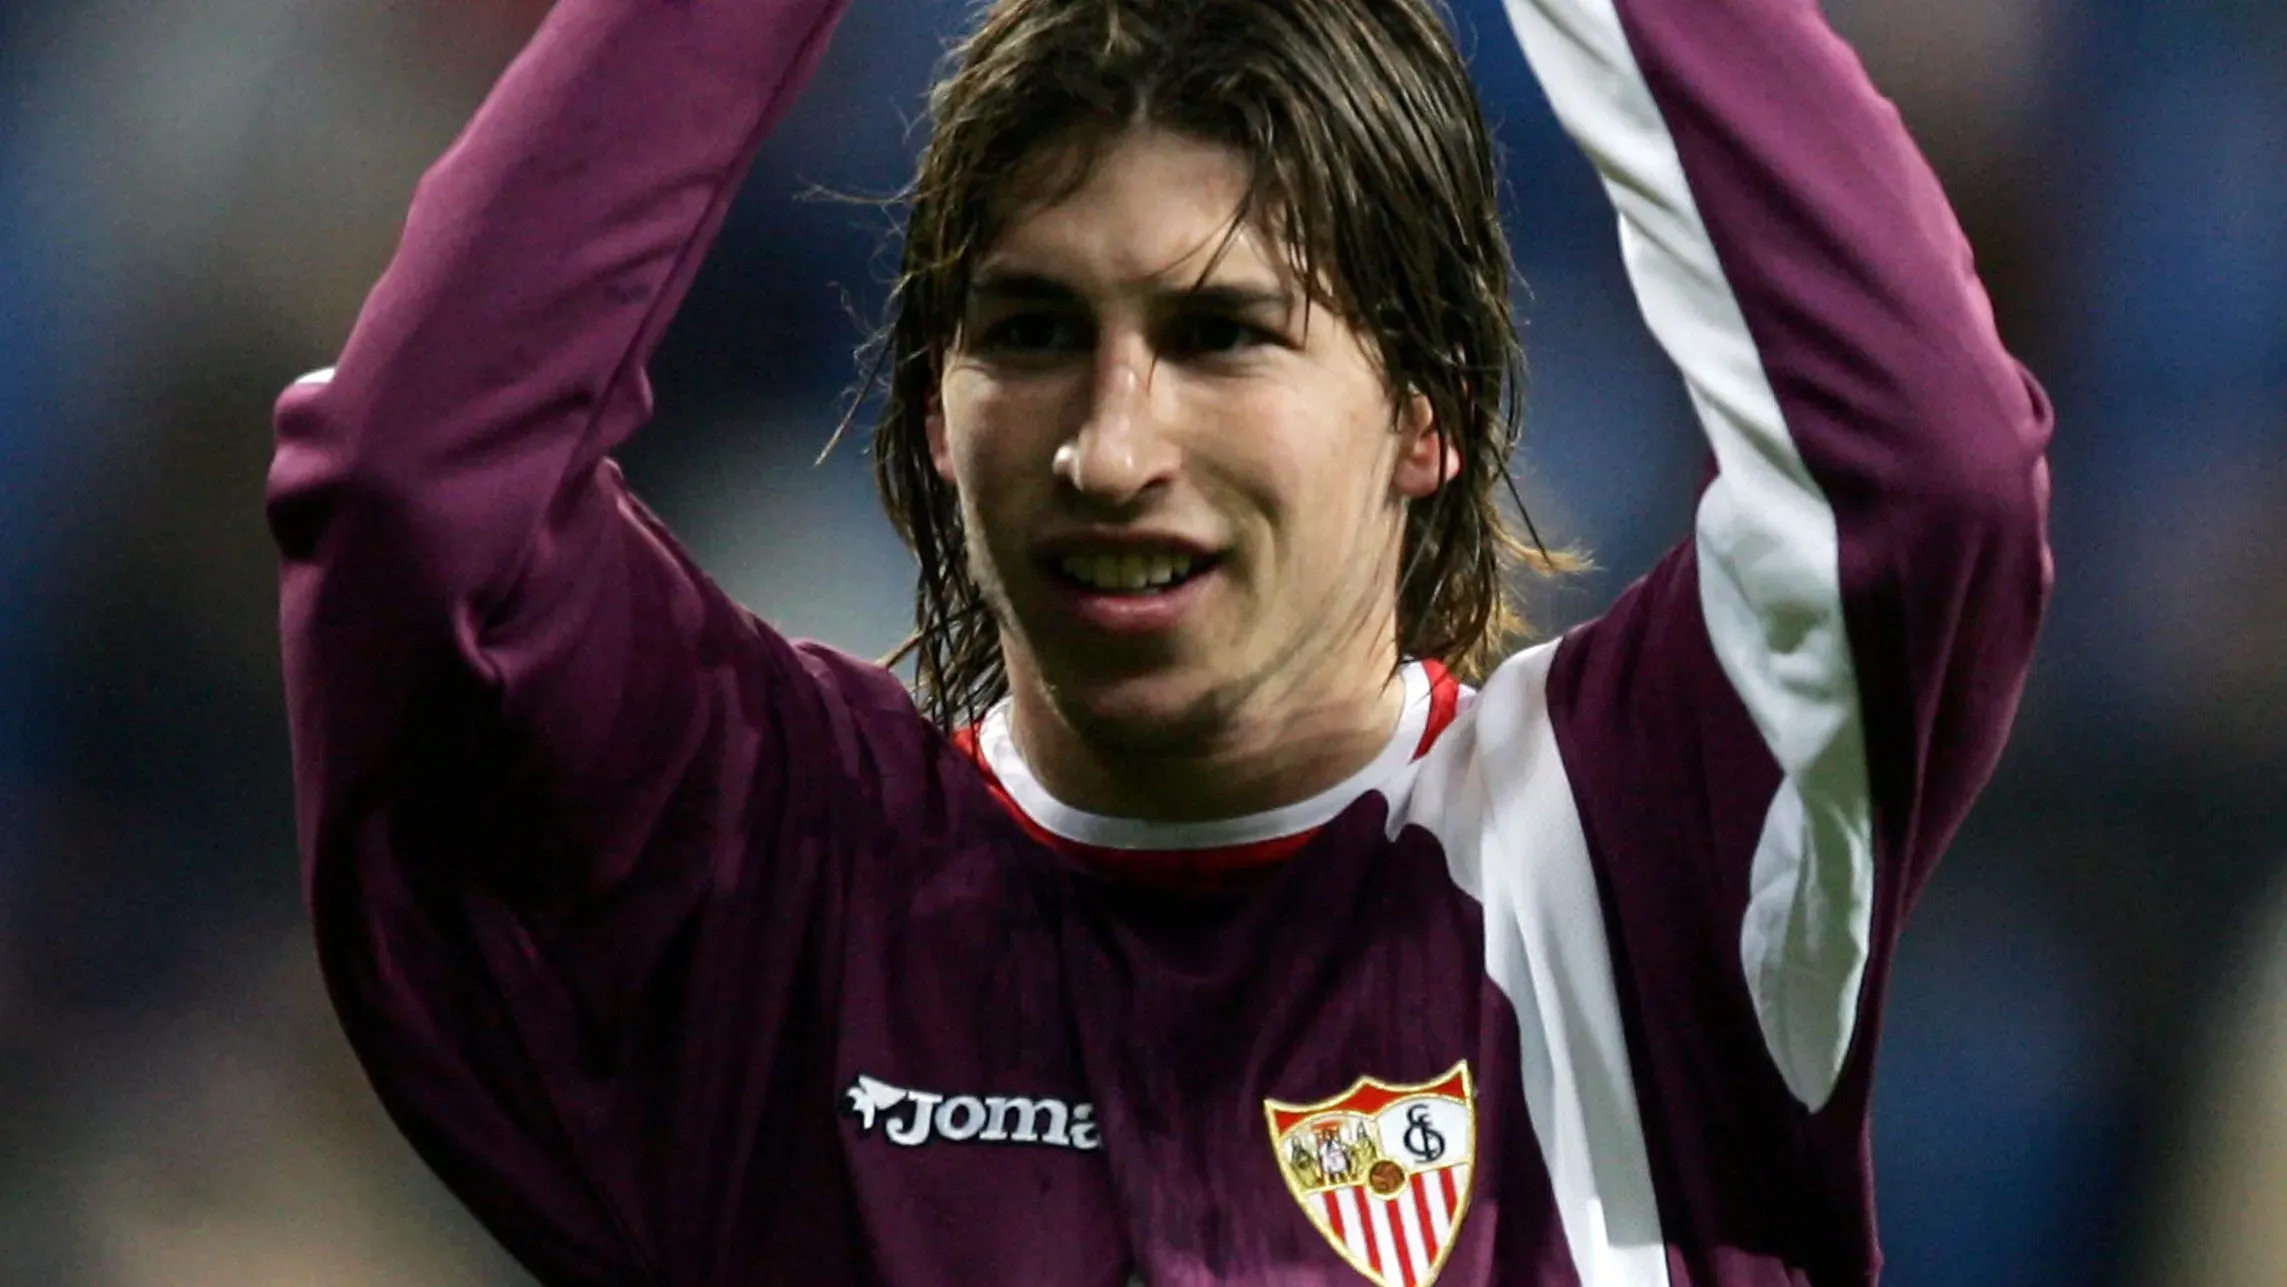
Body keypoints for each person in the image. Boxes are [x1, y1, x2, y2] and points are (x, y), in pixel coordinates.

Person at [264, 0, 2054, 1282]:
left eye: (1220, 336)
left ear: (1427, 407)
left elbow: (1922, 467)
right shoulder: (771, 881)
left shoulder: (1638, 854)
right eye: (1030, 329)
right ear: (932, 401)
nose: (1108, 448)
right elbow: (418, 496)